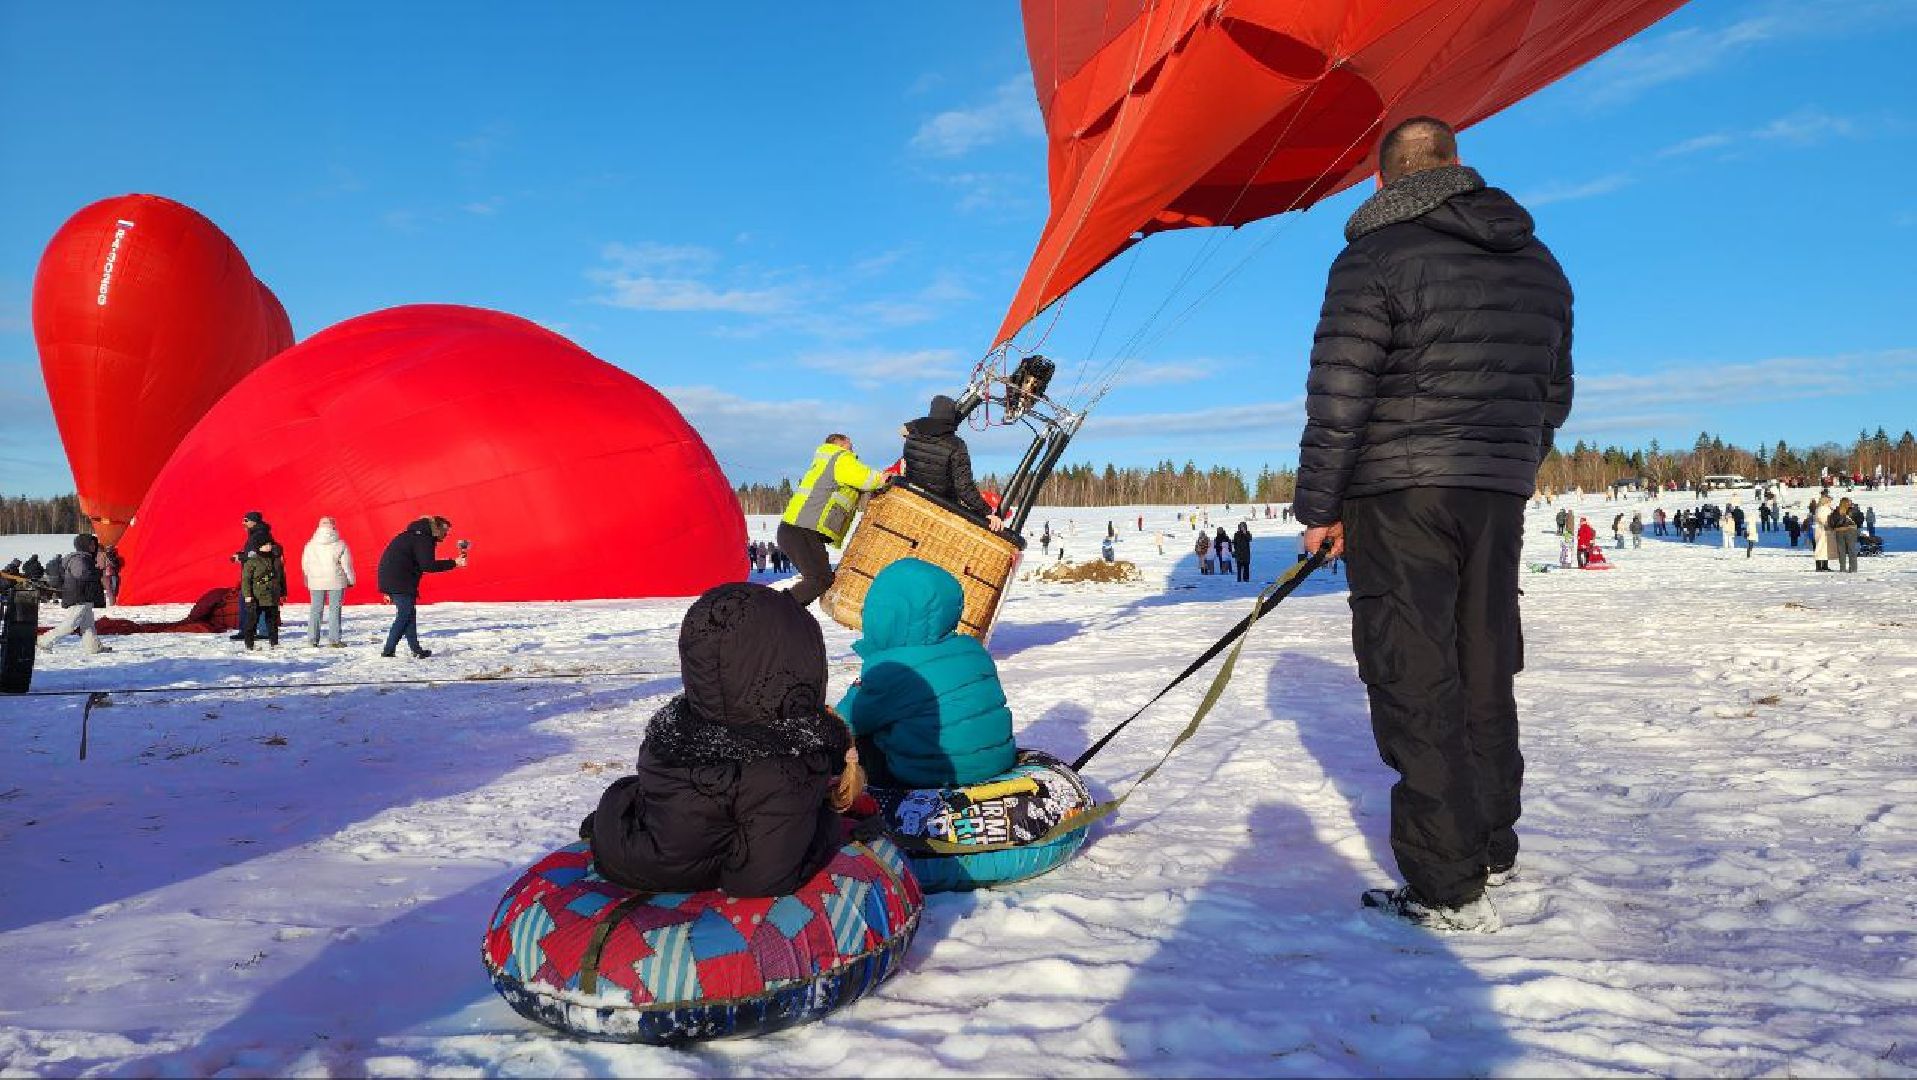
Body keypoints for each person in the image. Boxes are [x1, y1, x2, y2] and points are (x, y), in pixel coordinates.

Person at [1291, 117, 1573, 932]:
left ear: (1382, 182)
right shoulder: (1537, 260)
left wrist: (1320, 506)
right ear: (1458, 166)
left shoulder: (1371, 257)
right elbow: (1552, 392)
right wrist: (1507, 462)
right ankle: (1488, 843)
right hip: (1494, 489)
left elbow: (1338, 395)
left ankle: (1445, 883)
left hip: (1398, 493)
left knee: (1413, 675)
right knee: (1483, 665)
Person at [582, 583, 859, 897]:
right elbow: (759, 880)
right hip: (674, 875)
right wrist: (825, 826)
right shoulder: (786, 769)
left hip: (621, 848)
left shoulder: (671, 735)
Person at [835, 559, 1016, 788]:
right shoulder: (974, 650)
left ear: (884, 616)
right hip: (996, 763)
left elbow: (846, 720)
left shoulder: (895, 668)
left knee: (853, 745)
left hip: (930, 775)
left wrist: (855, 692)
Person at [779, 434, 887, 607]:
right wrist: (885, 478)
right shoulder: (840, 457)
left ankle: (784, 610)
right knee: (819, 579)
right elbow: (866, 478)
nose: (853, 450)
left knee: (820, 579)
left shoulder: (826, 461)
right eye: (850, 445)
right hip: (802, 529)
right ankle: (779, 609)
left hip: (796, 529)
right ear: (839, 444)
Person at [900, 396, 1006, 532]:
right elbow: (964, 488)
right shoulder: (956, 445)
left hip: (913, 506)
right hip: (942, 513)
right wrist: (987, 512)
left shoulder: (911, 439)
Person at [376, 516, 465, 657]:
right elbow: (427, 565)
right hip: (401, 581)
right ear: (438, 528)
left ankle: (416, 650)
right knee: (405, 614)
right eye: (445, 531)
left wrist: (386, 588)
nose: (446, 535)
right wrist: (454, 563)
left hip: (393, 579)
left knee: (409, 613)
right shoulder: (424, 539)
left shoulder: (410, 535)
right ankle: (388, 650)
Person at [37, 534, 111, 656]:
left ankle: (93, 647)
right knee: (71, 624)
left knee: (88, 625)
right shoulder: (79, 558)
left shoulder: (86, 558)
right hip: (78, 596)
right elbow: (80, 574)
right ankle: (44, 640)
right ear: (83, 545)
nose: (93, 546)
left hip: (85, 596)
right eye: (90, 544)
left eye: (94, 544)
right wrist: (97, 571)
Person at [301, 517, 355, 647]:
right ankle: (334, 640)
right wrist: (351, 580)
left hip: (316, 581)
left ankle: (312, 640)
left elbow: (305, 564)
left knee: (315, 610)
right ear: (333, 527)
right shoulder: (340, 544)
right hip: (336, 580)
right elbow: (346, 565)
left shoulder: (310, 545)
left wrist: (308, 578)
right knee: (334, 610)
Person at [230, 511, 278, 641]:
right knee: (251, 601)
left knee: (253, 601)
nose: (243, 523)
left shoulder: (260, 534)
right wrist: (241, 554)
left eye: (246, 520)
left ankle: (257, 631)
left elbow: (259, 553)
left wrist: (240, 556)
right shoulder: (257, 533)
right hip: (255, 572)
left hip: (257, 574)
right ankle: (252, 630)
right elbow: (255, 552)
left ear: (253, 521)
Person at [240, 541, 285, 649]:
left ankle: (274, 643)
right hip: (256, 596)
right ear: (259, 546)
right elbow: (246, 580)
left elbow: (282, 578)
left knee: (273, 621)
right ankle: (249, 644)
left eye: (270, 544)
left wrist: (283, 593)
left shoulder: (276, 560)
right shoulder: (252, 561)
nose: (268, 547)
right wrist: (247, 595)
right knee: (252, 621)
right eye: (265, 544)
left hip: (273, 595)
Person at [1830, 497, 1861, 573]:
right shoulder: (1853, 511)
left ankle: (1842, 568)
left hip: (1839, 532)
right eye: (1849, 502)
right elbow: (1859, 521)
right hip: (1850, 532)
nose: (1850, 503)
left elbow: (1832, 523)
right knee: (1851, 550)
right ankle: (1853, 568)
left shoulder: (1836, 511)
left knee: (1842, 551)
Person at [1812, 496, 1834, 572]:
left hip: (1825, 530)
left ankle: (1825, 565)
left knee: (1825, 548)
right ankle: (1819, 566)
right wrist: (1827, 524)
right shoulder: (1821, 508)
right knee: (1820, 548)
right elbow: (1820, 518)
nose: (1830, 503)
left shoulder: (1826, 508)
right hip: (1822, 530)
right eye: (1829, 501)